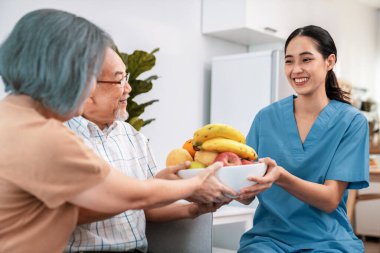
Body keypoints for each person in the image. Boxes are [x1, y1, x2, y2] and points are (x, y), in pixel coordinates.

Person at [0, 9, 235, 253]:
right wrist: (197, 182)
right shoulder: (44, 135)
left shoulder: (13, 118)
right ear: (67, 72)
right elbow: (130, 195)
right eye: (90, 73)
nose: (90, 88)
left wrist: (178, 195)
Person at [64, 47, 227, 252]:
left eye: (127, 77)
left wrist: (193, 209)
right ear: (86, 88)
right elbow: (68, 213)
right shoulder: (60, 138)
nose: (128, 88)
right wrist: (151, 189)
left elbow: (147, 209)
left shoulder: (133, 137)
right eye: (119, 80)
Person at [237, 25, 369, 252]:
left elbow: (330, 199)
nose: (296, 69)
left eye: (306, 59)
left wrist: (280, 177)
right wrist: (221, 182)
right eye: (289, 61)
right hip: (268, 240)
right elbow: (245, 195)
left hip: (328, 241)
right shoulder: (266, 118)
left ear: (329, 62)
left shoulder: (351, 121)